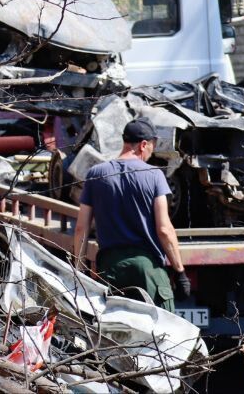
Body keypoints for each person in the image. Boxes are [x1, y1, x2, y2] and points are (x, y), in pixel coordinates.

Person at [72, 118, 191, 311]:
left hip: (109, 269)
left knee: (113, 334)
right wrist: (180, 272)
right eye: (152, 146)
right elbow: (164, 229)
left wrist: (79, 271)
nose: (152, 152)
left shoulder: (96, 174)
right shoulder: (155, 175)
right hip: (148, 270)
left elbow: (81, 228)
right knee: (161, 335)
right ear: (143, 145)